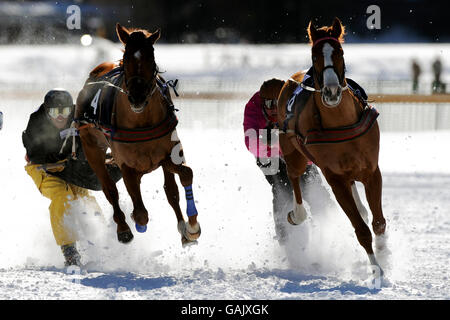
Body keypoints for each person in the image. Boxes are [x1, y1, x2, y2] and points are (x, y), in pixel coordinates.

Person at [22, 89, 121, 267]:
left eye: (65, 111)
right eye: (54, 112)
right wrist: (58, 162)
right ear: (46, 111)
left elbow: (94, 142)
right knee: (63, 195)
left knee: (83, 198)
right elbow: (35, 153)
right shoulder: (36, 122)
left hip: (71, 167)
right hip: (43, 168)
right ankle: (69, 251)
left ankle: (104, 244)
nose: (60, 117)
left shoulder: (80, 118)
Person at [243, 79, 333, 244]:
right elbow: (251, 143)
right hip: (269, 157)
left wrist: (280, 140)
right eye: (270, 104)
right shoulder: (253, 107)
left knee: (313, 188)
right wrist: (274, 141)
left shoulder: (297, 103)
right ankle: (285, 239)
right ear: (262, 102)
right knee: (281, 189)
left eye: (279, 103)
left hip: (296, 151)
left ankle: (333, 227)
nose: (274, 108)